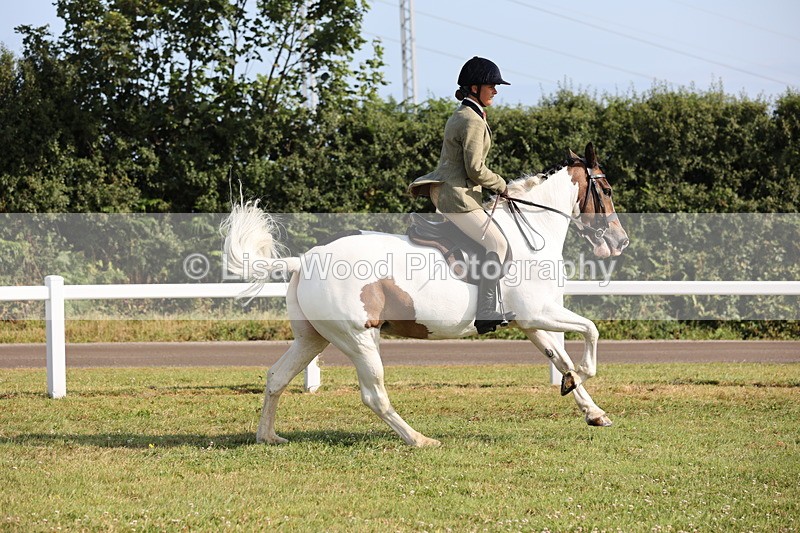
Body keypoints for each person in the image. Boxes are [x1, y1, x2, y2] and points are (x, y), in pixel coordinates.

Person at [409, 56, 516, 334]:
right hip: (457, 197)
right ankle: (486, 311)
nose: (495, 90)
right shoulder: (471, 120)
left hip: (451, 192)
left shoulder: (466, 114)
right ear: (474, 87)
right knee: (498, 245)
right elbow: (476, 169)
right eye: (491, 85)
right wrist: (502, 184)